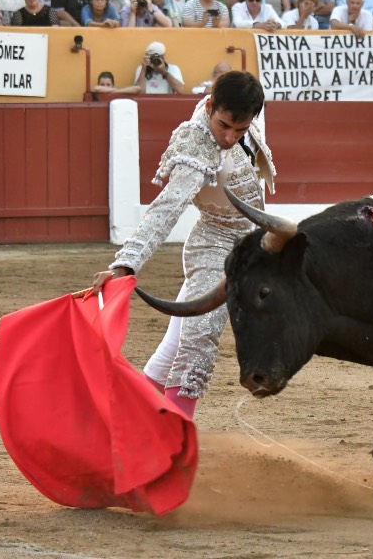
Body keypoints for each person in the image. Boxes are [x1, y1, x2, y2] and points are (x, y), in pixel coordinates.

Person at [90, 71, 276, 418]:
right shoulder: (195, 145)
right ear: (209, 106)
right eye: (223, 126)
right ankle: (174, 436)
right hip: (214, 247)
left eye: (239, 129)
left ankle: (127, 421)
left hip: (251, 248)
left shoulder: (239, 114)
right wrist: (125, 264)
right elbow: (166, 209)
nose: (230, 137)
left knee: (174, 345)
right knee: (199, 338)